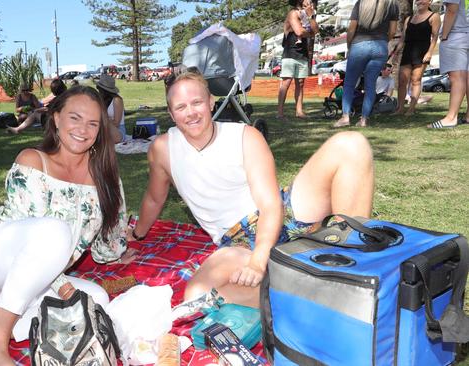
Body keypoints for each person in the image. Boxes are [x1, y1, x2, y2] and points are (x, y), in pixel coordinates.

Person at [129, 71, 374, 308]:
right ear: (171, 114)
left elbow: (270, 205)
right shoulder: (163, 149)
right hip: (237, 240)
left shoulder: (245, 136)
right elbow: (154, 198)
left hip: (283, 212)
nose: (190, 112)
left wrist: (259, 260)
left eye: (197, 102)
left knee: (351, 144)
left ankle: (353, 266)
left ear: (211, 103)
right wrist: (137, 234)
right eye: (181, 107)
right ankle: (313, 288)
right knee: (197, 296)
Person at [0, 86, 136, 366]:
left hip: (22, 283)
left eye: (92, 123)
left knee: (95, 300)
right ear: (56, 118)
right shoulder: (33, 161)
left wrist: (119, 251)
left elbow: (107, 242)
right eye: (75, 118)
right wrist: (64, 289)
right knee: (55, 233)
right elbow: (39, 242)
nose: (83, 129)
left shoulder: (105, 176)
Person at [334, 0, 399, 128]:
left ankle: (345, 117)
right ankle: (364, 119)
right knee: (370, 85)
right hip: (380, 47)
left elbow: (352, 28)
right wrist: (383, 41)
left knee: (349, 83)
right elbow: (392, 31)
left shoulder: (361, 4)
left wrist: (349, 46)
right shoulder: (392, 5)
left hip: (359, 45)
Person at [393, 0, 441, 115]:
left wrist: (429, 53)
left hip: (422, 51)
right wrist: (395, 53)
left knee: (416, 80)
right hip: (408, 51)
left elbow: (434, 38)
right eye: (418, 0)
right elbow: (402, 39)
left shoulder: (434, 16)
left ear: (430, 1)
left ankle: (411, 109)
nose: (420, 1)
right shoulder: (408, 19)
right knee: (402, 80)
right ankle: (400, 108)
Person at [428, 0, 469, 128]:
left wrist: (444, 35)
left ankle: (451, 118)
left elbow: (452, 9)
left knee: (457, 77)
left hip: (456, 35)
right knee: (467, 77)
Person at [277, 0, 319, 119]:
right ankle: (280, 113)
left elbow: (315, 30)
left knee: (300, 83)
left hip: (303, 54)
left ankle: (299, 112)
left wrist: (312, 16)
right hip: (290, 53)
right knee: (286, 82)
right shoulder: (293, 13)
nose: (310, 2)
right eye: (308, 0)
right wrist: (309, 32)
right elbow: (299, 31)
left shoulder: (308, 16)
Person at [96, 74, 127, 143]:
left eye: (99, 89)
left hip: (117, 130)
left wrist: (104, 120)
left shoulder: (117, 100)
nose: (98, 90)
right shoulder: (100, 100)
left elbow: (116, 123)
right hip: (103, 128)